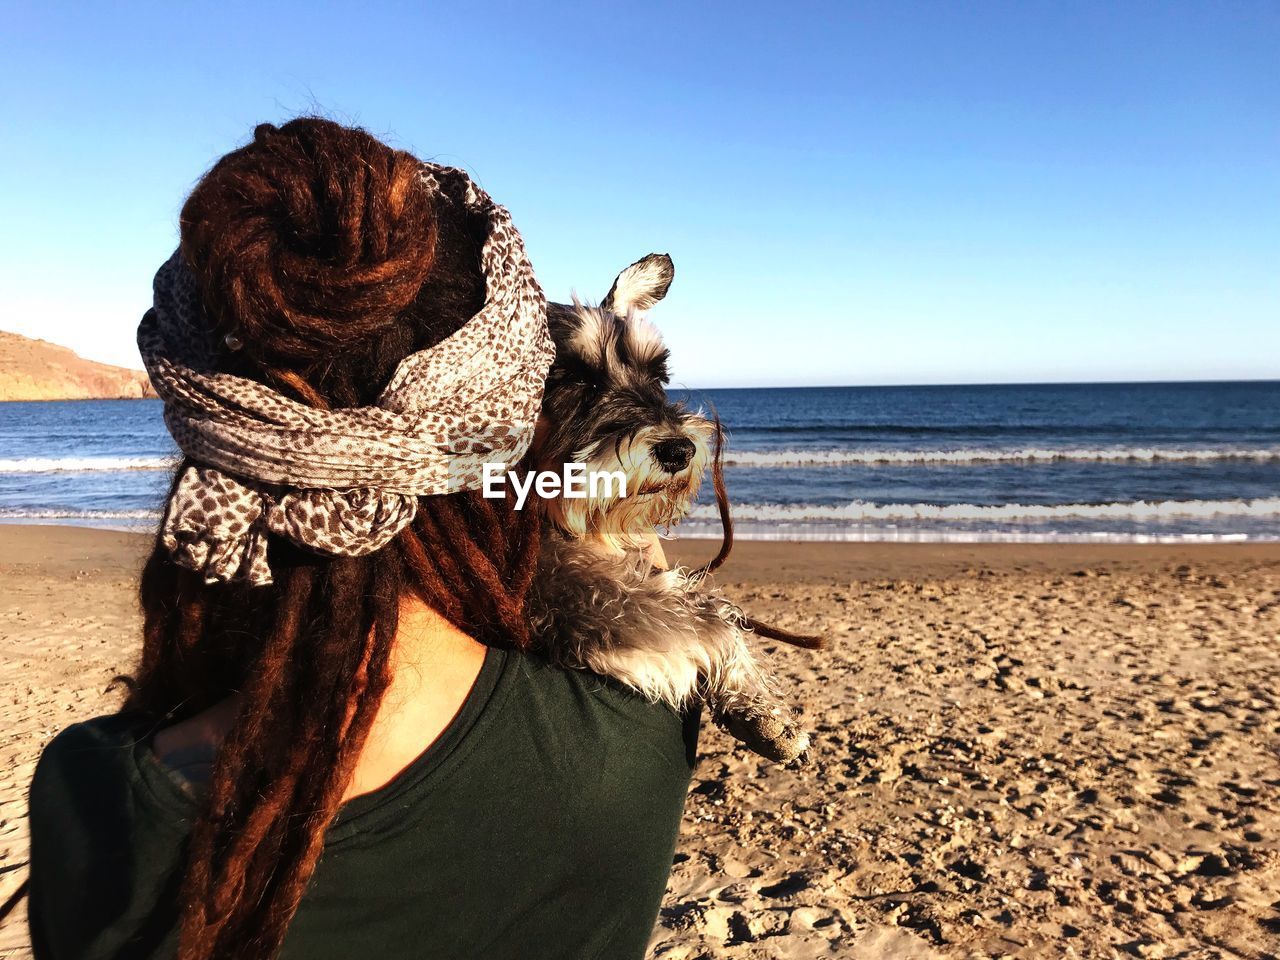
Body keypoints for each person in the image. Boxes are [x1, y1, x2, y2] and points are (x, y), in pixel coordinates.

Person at [26, 118, 699, 960]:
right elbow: (644, 601)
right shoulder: (635, 735)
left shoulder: (88, 793)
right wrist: (602, 512)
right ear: (510, 425)